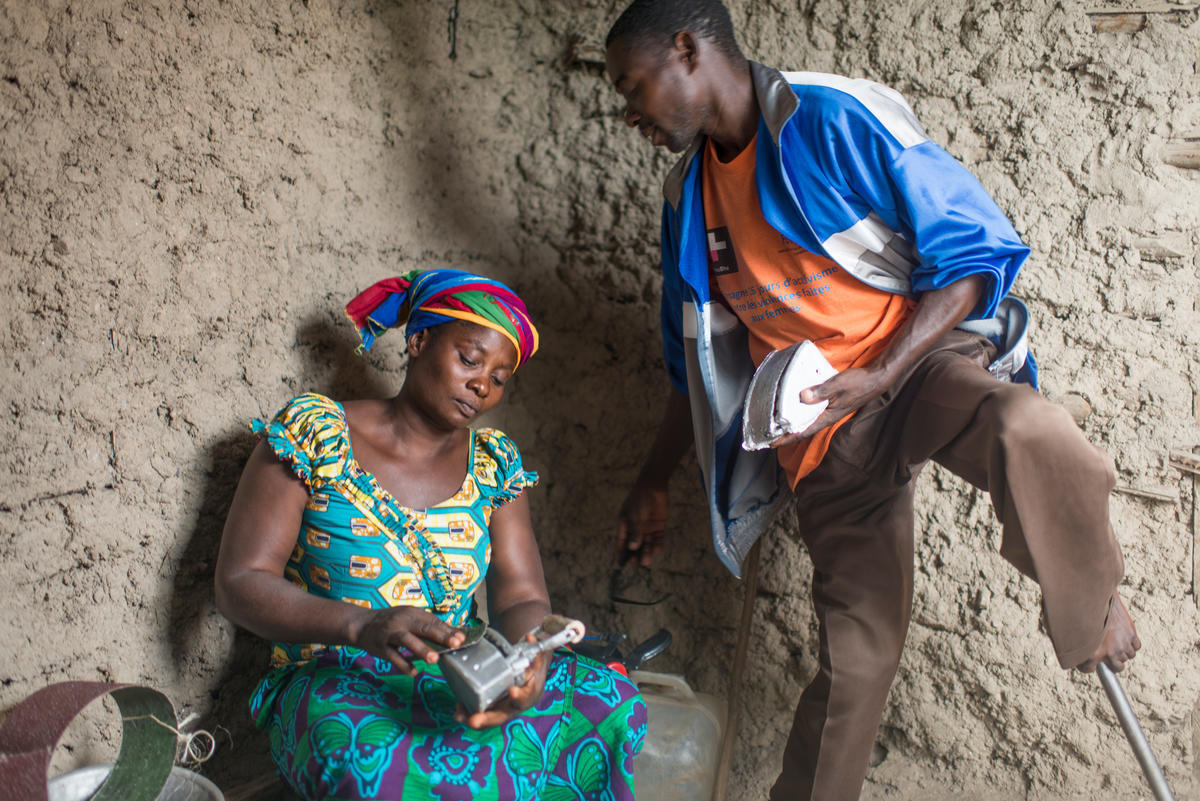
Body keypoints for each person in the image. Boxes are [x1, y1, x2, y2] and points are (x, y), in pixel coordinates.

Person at [602, 1, 1141, 799]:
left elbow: (973, 255)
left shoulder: (831, 118)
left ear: (686, 49)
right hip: (825, 434)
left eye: (630, 85)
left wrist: (885, 371)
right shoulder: (688, 202)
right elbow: (696, 373)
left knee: (1026, 426)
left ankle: (1092, 610)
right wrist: (655, 477)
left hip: (914, 369)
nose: (628, 112)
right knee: (858, 662)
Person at [215, 268, 646, 801]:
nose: (482, 384)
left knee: (612, 701)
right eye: (469, 359)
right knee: (378, 766)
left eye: (500, 376)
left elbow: (523, 596)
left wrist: (530, 663)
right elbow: (240, 580)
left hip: (461, 670)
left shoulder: (494, 467)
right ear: (418, 341)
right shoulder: (318, 434)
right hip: (336, 671)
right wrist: (361, 624)